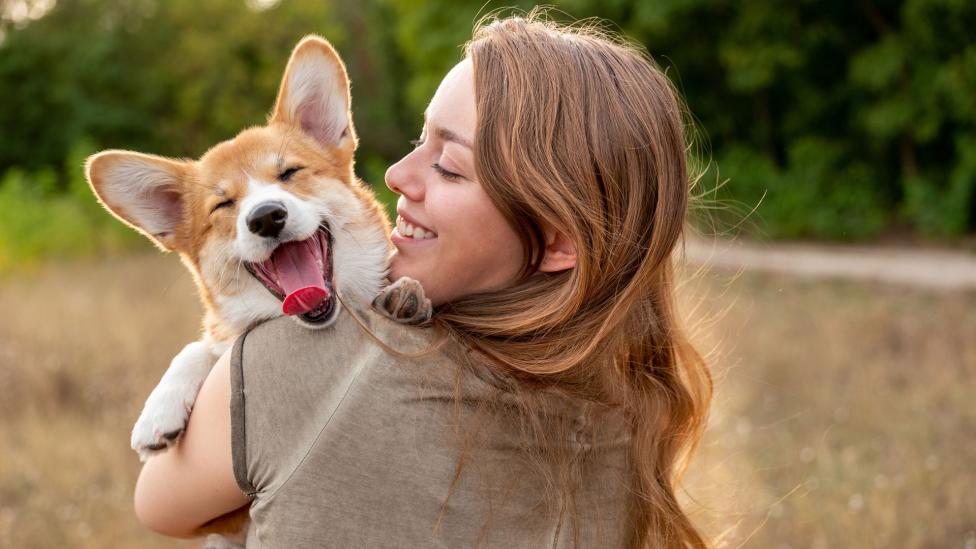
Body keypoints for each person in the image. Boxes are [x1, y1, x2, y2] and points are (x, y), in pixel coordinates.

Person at [134, 13, 712, 549]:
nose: (392, 175)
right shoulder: (630, 412)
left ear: (559, 239)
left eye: (449, 165)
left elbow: (158, 506)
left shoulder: (296, 365)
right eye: (420, 140)